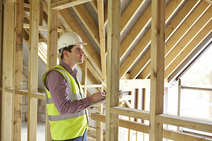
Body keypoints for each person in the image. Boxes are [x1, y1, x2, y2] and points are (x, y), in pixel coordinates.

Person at [42, 31, 106, 141]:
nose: (82, 53)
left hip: (79, 132)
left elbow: (75, 101)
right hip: (67, 136)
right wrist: (90, 99)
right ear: (66, 53)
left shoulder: (71, 74)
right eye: (78, 49)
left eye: (82, 49)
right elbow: (64, 108)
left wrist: (92, 102)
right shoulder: (57, 75)